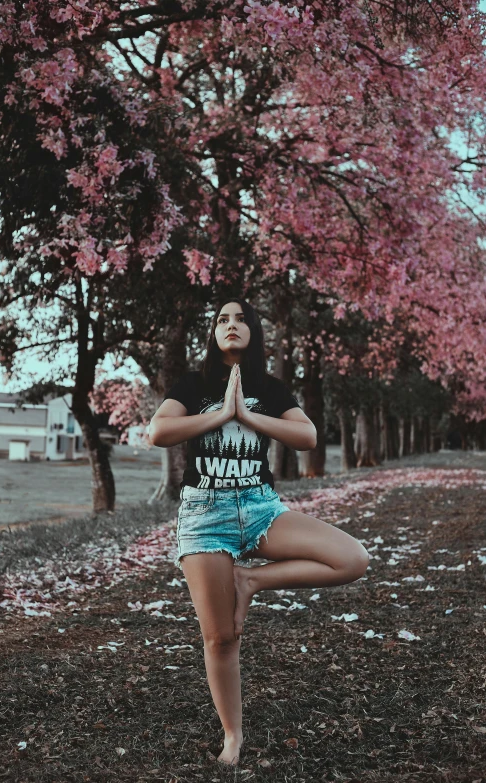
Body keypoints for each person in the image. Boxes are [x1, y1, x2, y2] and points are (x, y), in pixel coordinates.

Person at [149, 298, 370, 767]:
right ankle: (233, 735)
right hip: (205, 513)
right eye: (221, 320)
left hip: (260, 508)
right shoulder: (194, 383)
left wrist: (248, 415)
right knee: (223, 637)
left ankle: (252, 579)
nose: (230, 325)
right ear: (213, 332)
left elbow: (308, 436)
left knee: (353, 558)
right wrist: (221, 414)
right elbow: (158, 432)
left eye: (240, 319)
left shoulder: (270, 388)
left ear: (254, 331)